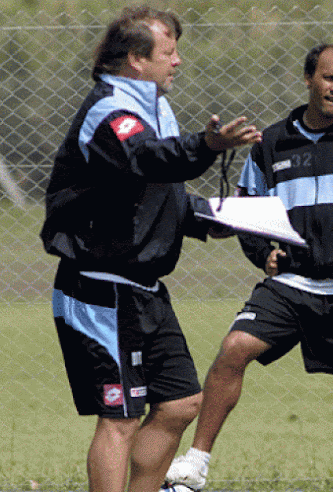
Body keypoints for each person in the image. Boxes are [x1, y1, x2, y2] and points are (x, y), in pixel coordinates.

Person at [164, 43, 333, 492]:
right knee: (234, 349)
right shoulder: (270, 143)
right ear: (309, 79)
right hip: (288, 285)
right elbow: (246, 210)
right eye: (328, 78)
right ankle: (195, 465)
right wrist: (259, 252)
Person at [39, 6, 262, 492]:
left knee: (181, 402)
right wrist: (205, 145)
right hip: (100, 289)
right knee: (118, 418)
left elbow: (161, 195)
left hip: (145, 290)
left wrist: (226, 219)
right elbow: (148, 159)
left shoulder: (156, 104)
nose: (178, 61)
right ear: (136, 59)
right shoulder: (109, 109)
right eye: (169, 52)